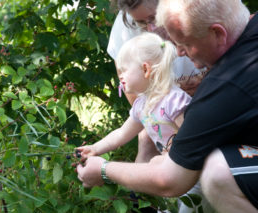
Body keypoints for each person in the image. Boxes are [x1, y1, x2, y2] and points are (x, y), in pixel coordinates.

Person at [77, 0, 258, 212]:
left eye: (185, 43)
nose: (179, 52)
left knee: (218, 170)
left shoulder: (223, 86)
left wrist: (104, 169)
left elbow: (171, 179)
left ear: (218, 33)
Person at [107, 0, 207, 164]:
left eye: (154, 18)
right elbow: (137, 99)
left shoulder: (204, 7)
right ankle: (147, 185)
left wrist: (208, 84)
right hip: (164, 104)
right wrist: (166, 94)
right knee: (147, 137)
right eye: (142, 23)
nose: (151, 29)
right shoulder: (124, 29)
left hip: (213, 94)